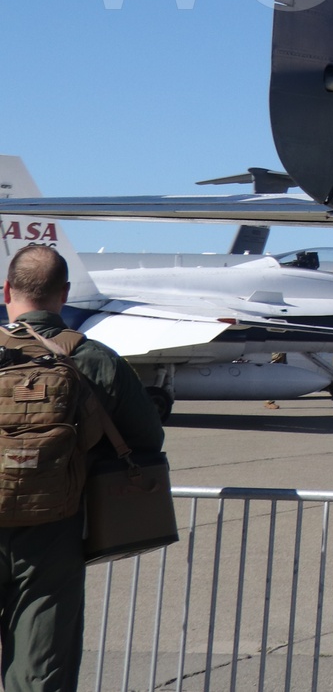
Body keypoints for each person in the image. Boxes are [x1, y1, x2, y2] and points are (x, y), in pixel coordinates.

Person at [0, 245, 164, 692]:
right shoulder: (93, 359)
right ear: (65, 293)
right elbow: (147, 440)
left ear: (7, 290)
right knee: (40, 668)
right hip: (54, 528)